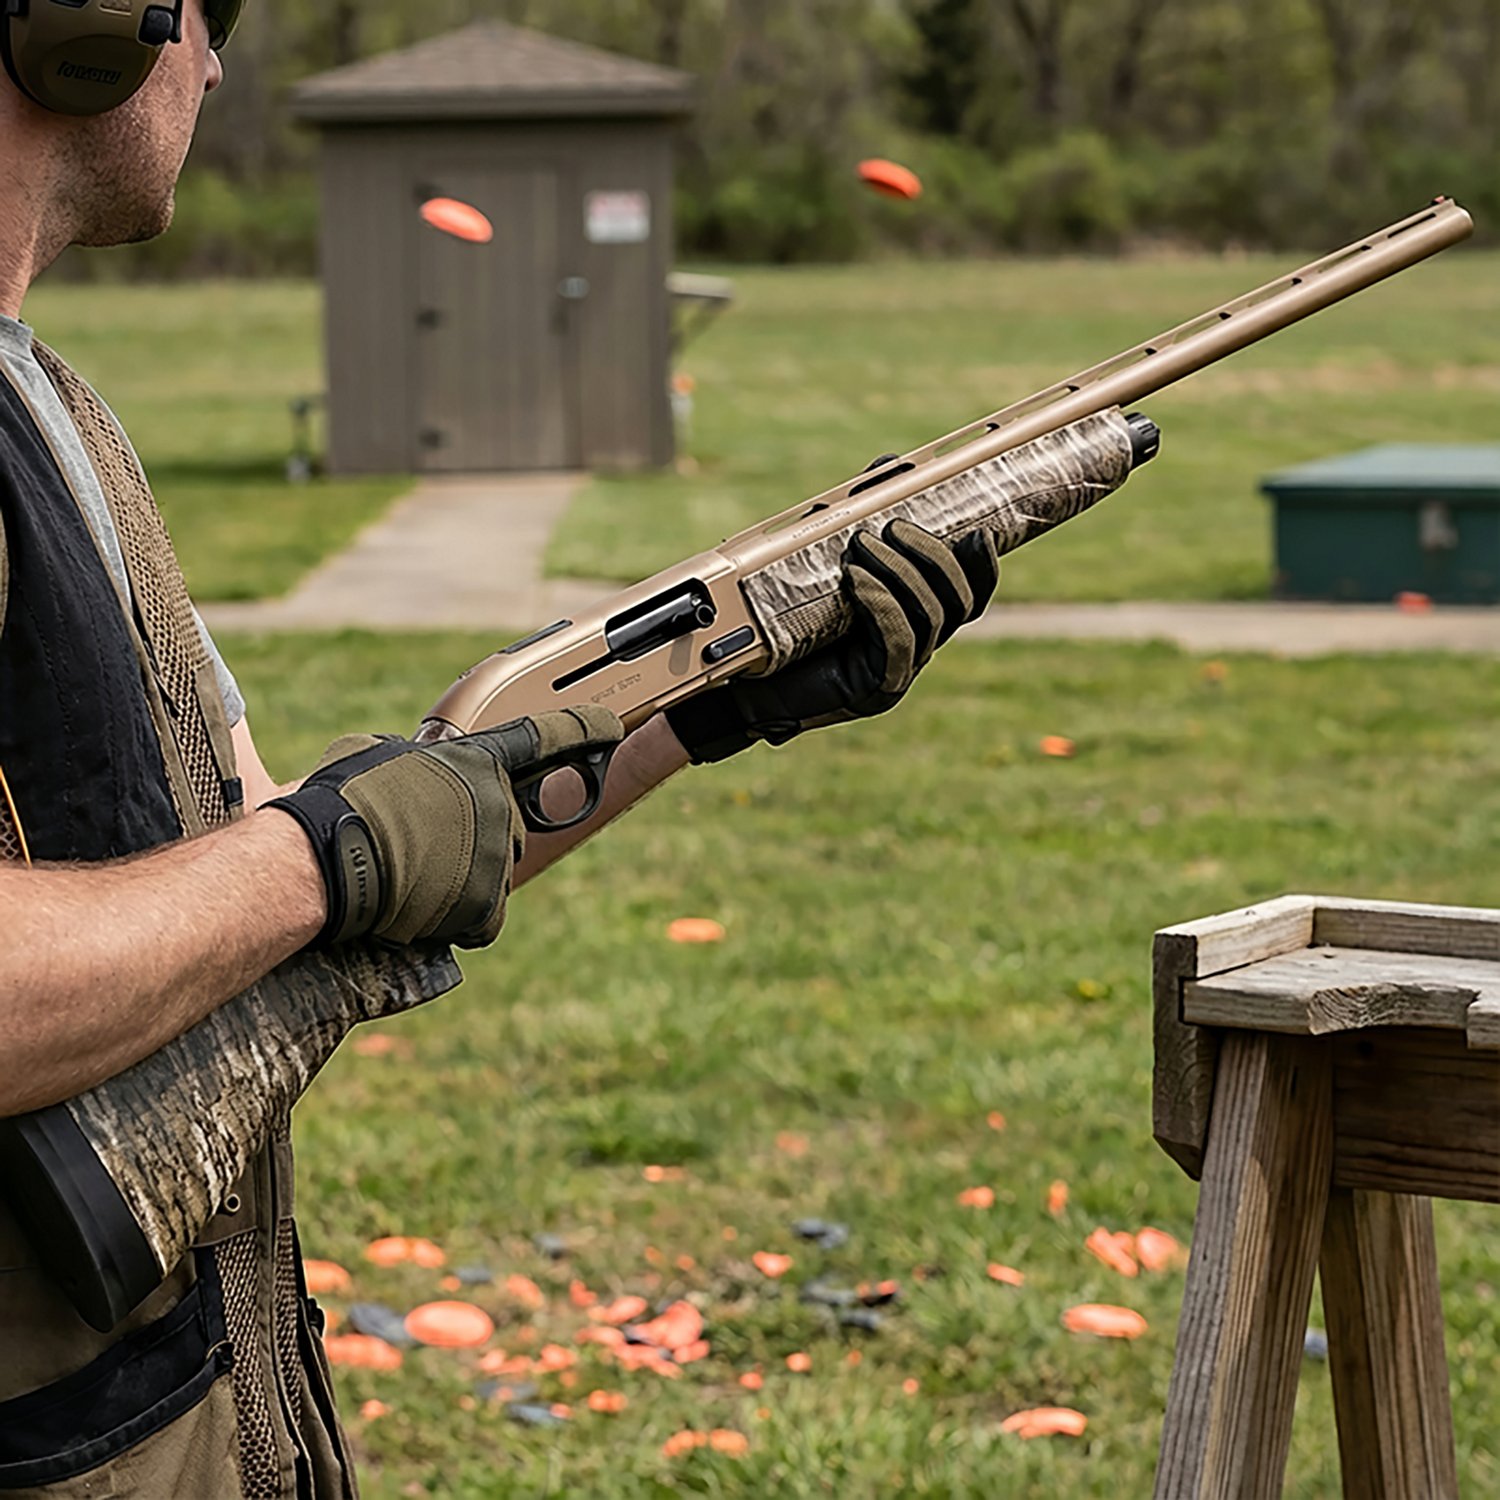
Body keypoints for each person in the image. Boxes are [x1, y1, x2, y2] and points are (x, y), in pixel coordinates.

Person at [0, 4, 999, 1495]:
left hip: (174, 1409)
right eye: (211, 15)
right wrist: (321, 858)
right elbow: (300, 864)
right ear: (80, 20)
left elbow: (277, 866)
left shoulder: (58, 411)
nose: (212, 66)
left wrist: (720, 694)